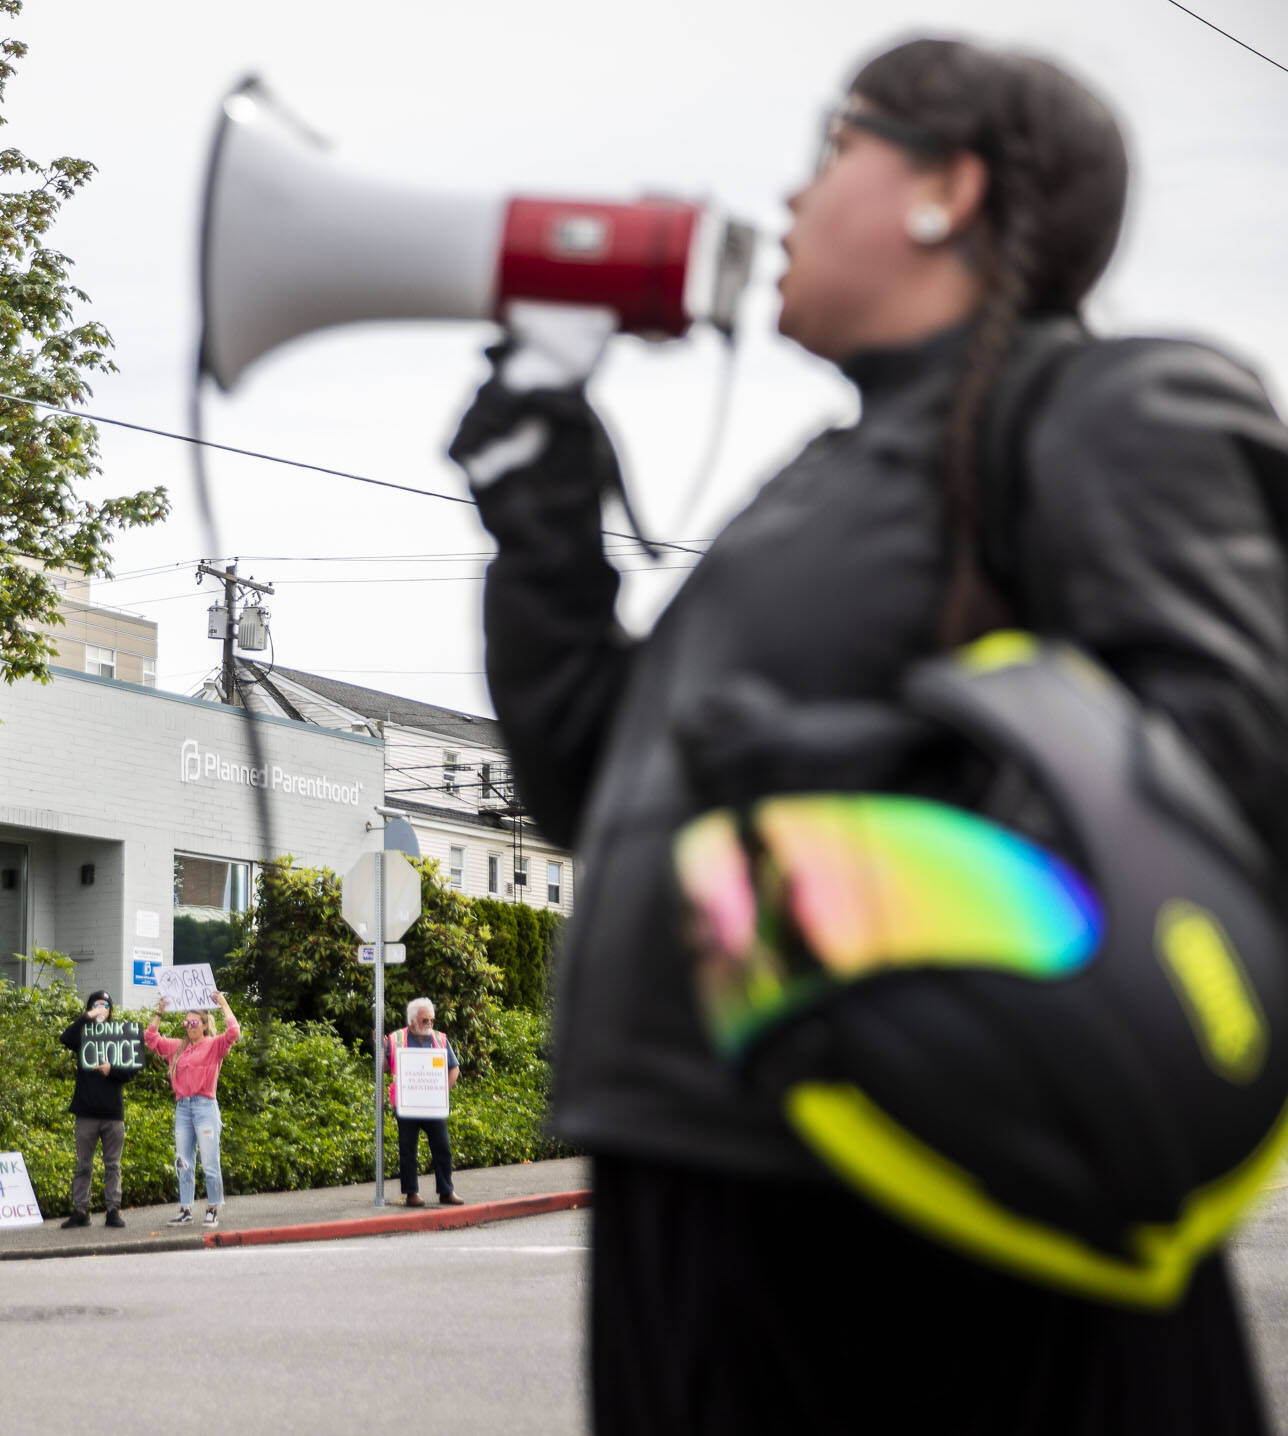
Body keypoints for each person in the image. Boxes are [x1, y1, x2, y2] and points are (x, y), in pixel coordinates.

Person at [456, 35, 1288, 1435]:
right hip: (704, 1193)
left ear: (943, 191)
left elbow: (1224, 757)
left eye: (833, 149)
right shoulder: (822, 484)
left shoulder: (1112, 405)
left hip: (953, 1205)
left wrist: (818, 789)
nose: (789, 201)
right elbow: (591, 783)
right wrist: (542, 497)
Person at [144, 990, 241, 1228]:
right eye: (186, 1022)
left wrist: (223, 1003)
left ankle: (212, 1208)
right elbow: (150, 1038)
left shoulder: (214, 1045)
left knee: (209, 1161)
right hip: (183, 1107)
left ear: (205, 1025)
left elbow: (234, 1032)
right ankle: (185, 1209)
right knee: (183, 1161)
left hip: (205, 1106)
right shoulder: (177, 1047)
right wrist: (159, 1011)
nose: (188, 1026)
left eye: (194, 1022)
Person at [58, 991, 135, 1230]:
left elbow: (131, 1071)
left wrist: (111, 1070)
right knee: (84, 1165)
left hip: (112, 1112)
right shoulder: (83, 1034)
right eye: (97, 1004)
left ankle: (113, 1210)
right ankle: (81, 1210)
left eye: (105, 1005)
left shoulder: (120, 1036)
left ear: (112, 1010)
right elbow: (65, 1037)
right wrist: (87, 1016)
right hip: (86, 1111)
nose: (102, 1008)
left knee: (113, 1165)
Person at [385, 997, 463, 1209]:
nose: (429, 1024)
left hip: (433, 1105)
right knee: (408, 1149)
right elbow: (384, 1068)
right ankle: (411, 1194)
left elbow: (454, 1068)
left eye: (431, 1020)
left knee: (443, 1147)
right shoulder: (396, 1038)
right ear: (411, 1021)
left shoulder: (439, 1039)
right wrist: (379, 1049)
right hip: (406, 1105)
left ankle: (446, 1191)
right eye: (424, 1020)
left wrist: (441, 1091)